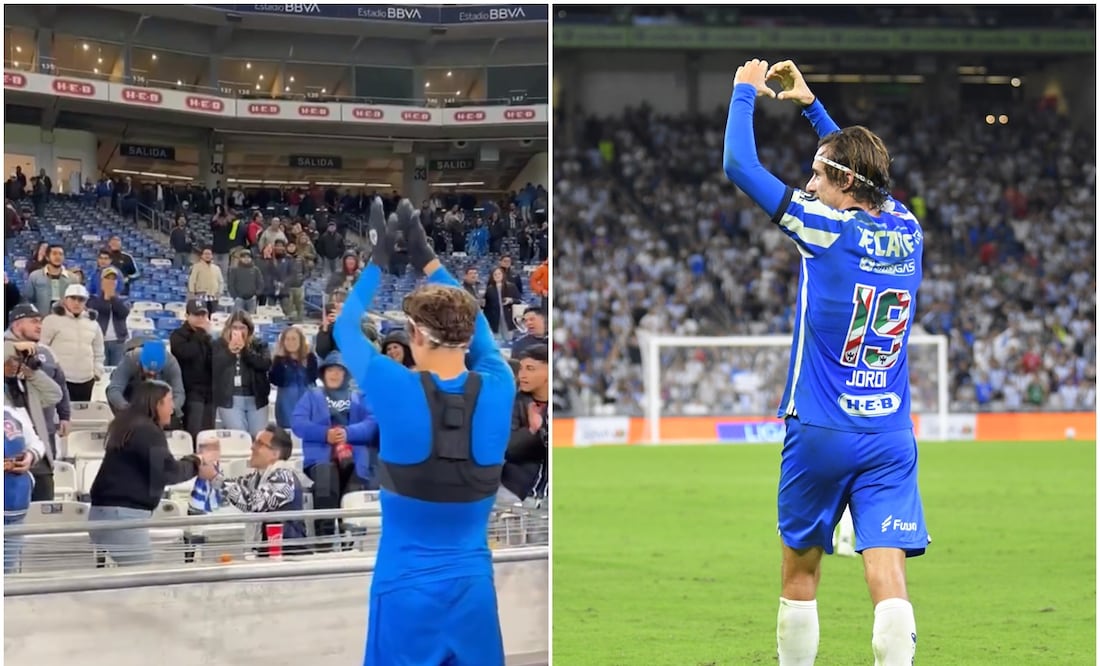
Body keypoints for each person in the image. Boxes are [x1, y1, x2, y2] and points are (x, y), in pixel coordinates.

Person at [723, 59, 927, 666]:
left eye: (816, 175)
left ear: (841, 185)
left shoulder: (823, 228)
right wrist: (812, 108)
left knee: (800, 574)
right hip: (889, 432)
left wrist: (744, 92)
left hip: (819, 428)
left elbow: (740, 165)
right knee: (887, 574)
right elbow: (868, 179)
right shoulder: (909, 229)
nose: (808, 185)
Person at [335, 197, 514, 666]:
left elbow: (344, 330)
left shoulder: (394, 386)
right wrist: (428, 259)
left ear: (414, 335)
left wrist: (377, 261)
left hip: (404, 592)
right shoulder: (500, 385)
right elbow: (479, 329)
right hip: (473, 591)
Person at [88, 380, 207, 566]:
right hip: (121, 517)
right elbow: (167, 472)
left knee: (135, 582)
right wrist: (197, 462)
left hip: (105, 513)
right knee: (143, 583)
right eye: (169, 401)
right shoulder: (147, 431)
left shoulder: (128, 426)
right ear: (156, 403)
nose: (173, 407)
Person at [292, 351, 378, 542]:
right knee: (325, 480)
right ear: (323, 373)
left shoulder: (359, 397)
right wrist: (325, 434)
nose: (334, 374)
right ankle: (325, 542)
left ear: (346, 374)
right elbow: (298, 423)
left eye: (339, 370)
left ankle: (352, 544)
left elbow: (372, 424)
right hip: (322, 460)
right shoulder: (311, 396)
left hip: (354, 460)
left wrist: (348, 433)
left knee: (356, 487)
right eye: (330, 369)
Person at [197, 424, 308, 554]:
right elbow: (234, 485)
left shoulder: (284, 477)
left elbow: (252, 503)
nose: (252, 447)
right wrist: (210, 466)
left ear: (275, 454)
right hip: (268, 554)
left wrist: (215, 477)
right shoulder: (258, 477)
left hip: (289, 556)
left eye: (259, 444)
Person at [4, 303, 70, 500]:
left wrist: (29, 371)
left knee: (43, 513)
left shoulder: (42, 354)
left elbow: (55, 393)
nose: (39, 326)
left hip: (37, 445)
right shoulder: (8, 347)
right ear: (16, 325)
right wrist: (12, 349)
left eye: (40, 321)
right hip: (8, 450)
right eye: (33, 321)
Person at [500, 344, 549, 505]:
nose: (522, 375)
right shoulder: (514, 402)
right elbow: (508, 448)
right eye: (521, 369)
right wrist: (532, 431)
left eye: (530, 369)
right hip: (515, 491)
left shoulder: (560, 403)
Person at [40, 284, 105, 402]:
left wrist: (97, 371)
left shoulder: (93, 324)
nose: (77, 303)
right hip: (60, 380)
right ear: (65, 300)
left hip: (86, 380)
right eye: (73, 298)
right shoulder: (51, 321)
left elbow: (98, 350)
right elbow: (42, 348)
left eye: (81, 299)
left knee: (81, 417)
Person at [4, 399, 47, 573]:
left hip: (15, 506)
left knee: (8, 574)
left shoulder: (12, 413)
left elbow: (37, 443)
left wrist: (30, 455)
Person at [212, 311, 272, 436]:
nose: (238, 331)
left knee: (258, 436)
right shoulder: (219, 344)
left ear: (249, 329)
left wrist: (244, 350)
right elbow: (214, 367)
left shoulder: (259, 344)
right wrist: (230, 351)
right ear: (229, 328)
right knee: (240, 436)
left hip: (256, 400)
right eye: (235, 327)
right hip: (229, 399)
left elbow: (264, 364)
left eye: (242, 327)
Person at [169, 299, 216, 445]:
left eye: (203, 315)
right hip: (190, 390)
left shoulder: (211, 338)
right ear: (187, 315)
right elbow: (186, 353)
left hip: (210, 391)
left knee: (208, 434)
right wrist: (201, 334)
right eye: (197, 315)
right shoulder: (178, 335)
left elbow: (216, 361)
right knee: (193, 432)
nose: (201, 319)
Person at [269, 326, 319, 429]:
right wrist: (279, 360)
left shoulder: (310, 357)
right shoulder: (278, 360)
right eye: (287, 339)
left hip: (307, 400)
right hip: (286, 403)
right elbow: (276, 381)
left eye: (294, 339)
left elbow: (313, 378)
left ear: (301, 340)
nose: (291, 342)